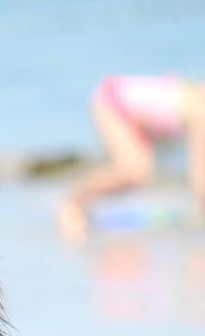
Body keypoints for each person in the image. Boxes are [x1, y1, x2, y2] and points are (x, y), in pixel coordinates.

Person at [59, 75, 205, 238]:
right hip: (113, 101)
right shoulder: (199, 112)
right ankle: (73, 204)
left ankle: (78, 205)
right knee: (133, 172)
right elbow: (200, 178)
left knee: (139, 174)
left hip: (132, 111)